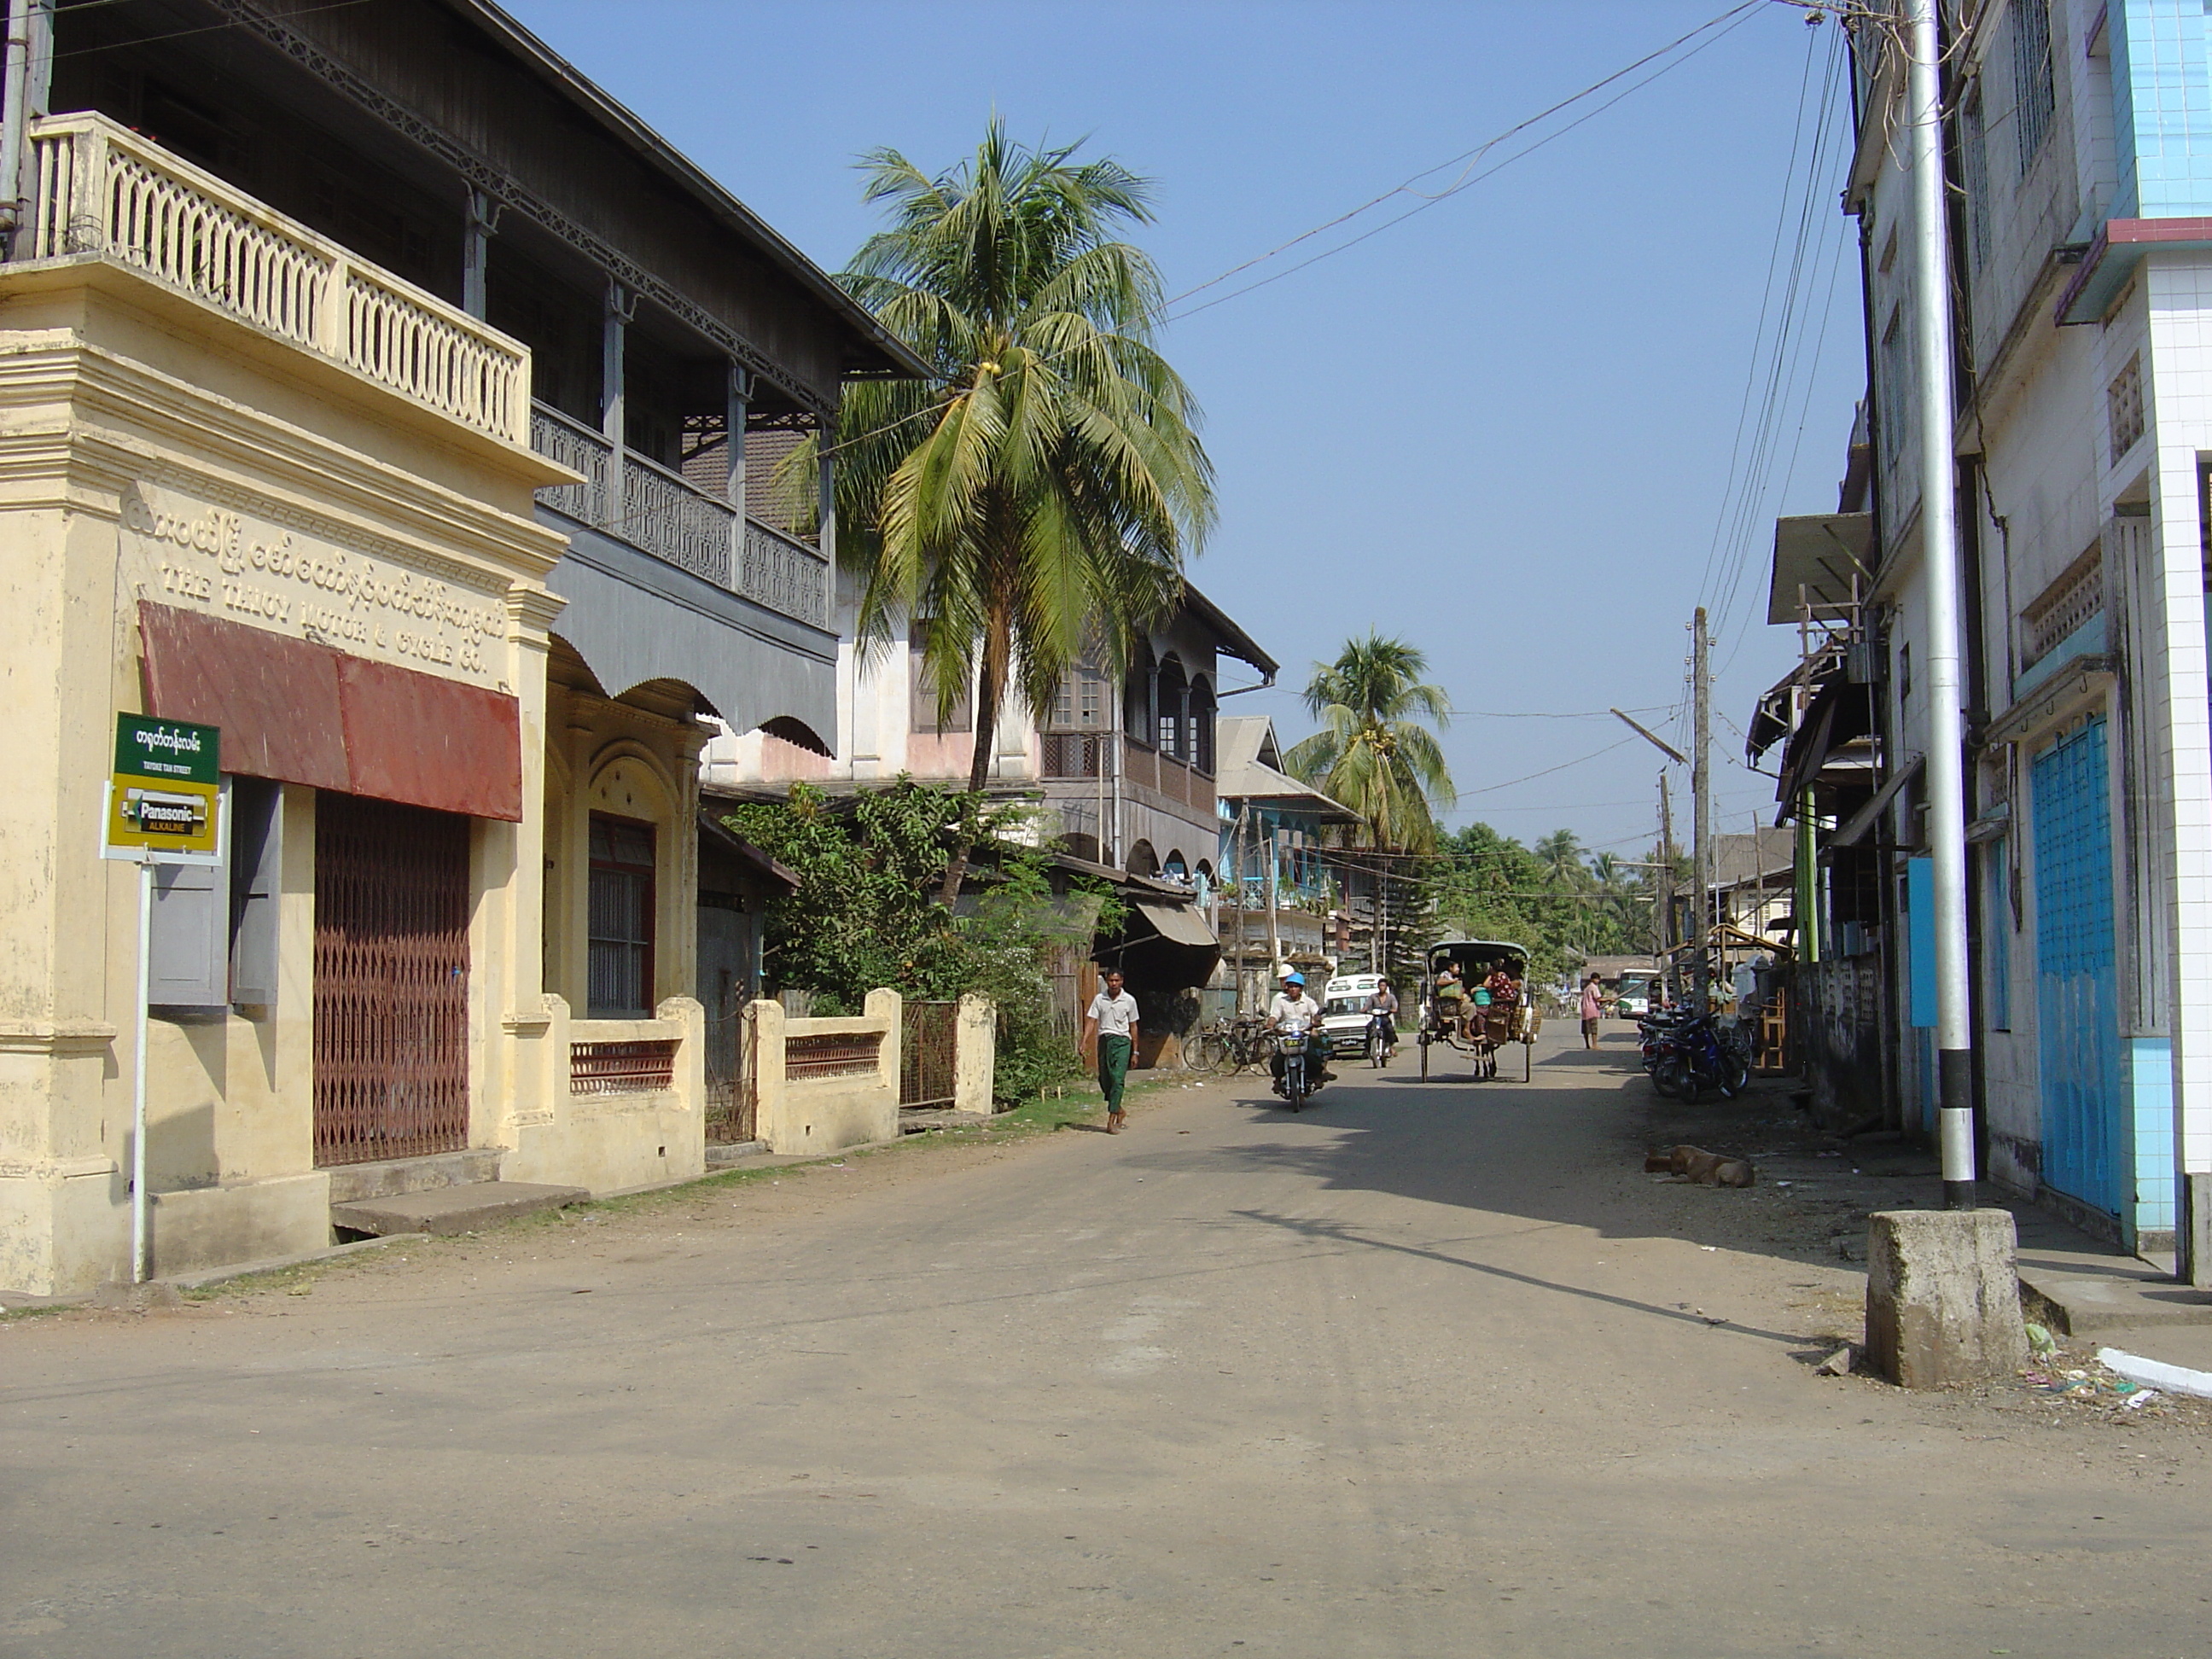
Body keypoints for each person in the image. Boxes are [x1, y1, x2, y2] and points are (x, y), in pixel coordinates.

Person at [1084, 969, 1140, 1133]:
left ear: (1122, 981)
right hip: (1105, 1041)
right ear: (1107, 981)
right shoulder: (1100, 999)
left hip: (1122, 1042)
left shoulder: (1129, 1000)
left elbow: (1133, 1026)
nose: (1114, 984)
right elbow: (1092, 1020)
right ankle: (1119, 1109)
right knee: (1105, 1079)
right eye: (1111, 981)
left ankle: (1111, 1119)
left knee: (1117, 1079)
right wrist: (1084, 1041)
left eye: (1117, 981)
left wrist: (1135, 1052)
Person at [1266, 971, 1332, 1093]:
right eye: (1290, 986)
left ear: (1301, 988)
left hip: (1304, 1035)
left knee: (1312, 1055)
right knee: (1277, 1058)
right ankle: (1277, 1080)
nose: (1293, 989)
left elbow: (1316, 1014)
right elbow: (1274, 1015)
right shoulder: (1281, 1002)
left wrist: (1316, 1021)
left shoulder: (1308, 1002)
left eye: (1296, 986)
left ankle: (1316, 1076)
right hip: (1286, 1036)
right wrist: (1271, 1023)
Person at [1368, 980, 1400, 1060]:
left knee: (1389, 1029)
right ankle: (1368, 1048)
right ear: (1378, 987)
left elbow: (1395, 1007)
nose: (1382, 987)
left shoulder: (1391, 997)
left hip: (1385, 1018)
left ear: (1386, 987)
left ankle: (1390, 1046)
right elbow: (1367, 1005)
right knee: (1368, 1028)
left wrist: (1393, 1009)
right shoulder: (1373, 997)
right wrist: (1364, 1009)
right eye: (1380, 985)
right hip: (1376, 1018)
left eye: (1383, 985)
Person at [1579, 973, 1605, 1050]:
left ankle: (1587, 1045)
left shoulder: (1587, 988)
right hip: (1592, 1010)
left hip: (1585, 1010)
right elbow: (1598, 998)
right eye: (1596, 979)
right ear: (1592, 979)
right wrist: (1609, 999)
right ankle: (1594, 1045)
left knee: (1586, 1029)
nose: (1597, 980)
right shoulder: (1594, 987)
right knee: (1593, 1028)